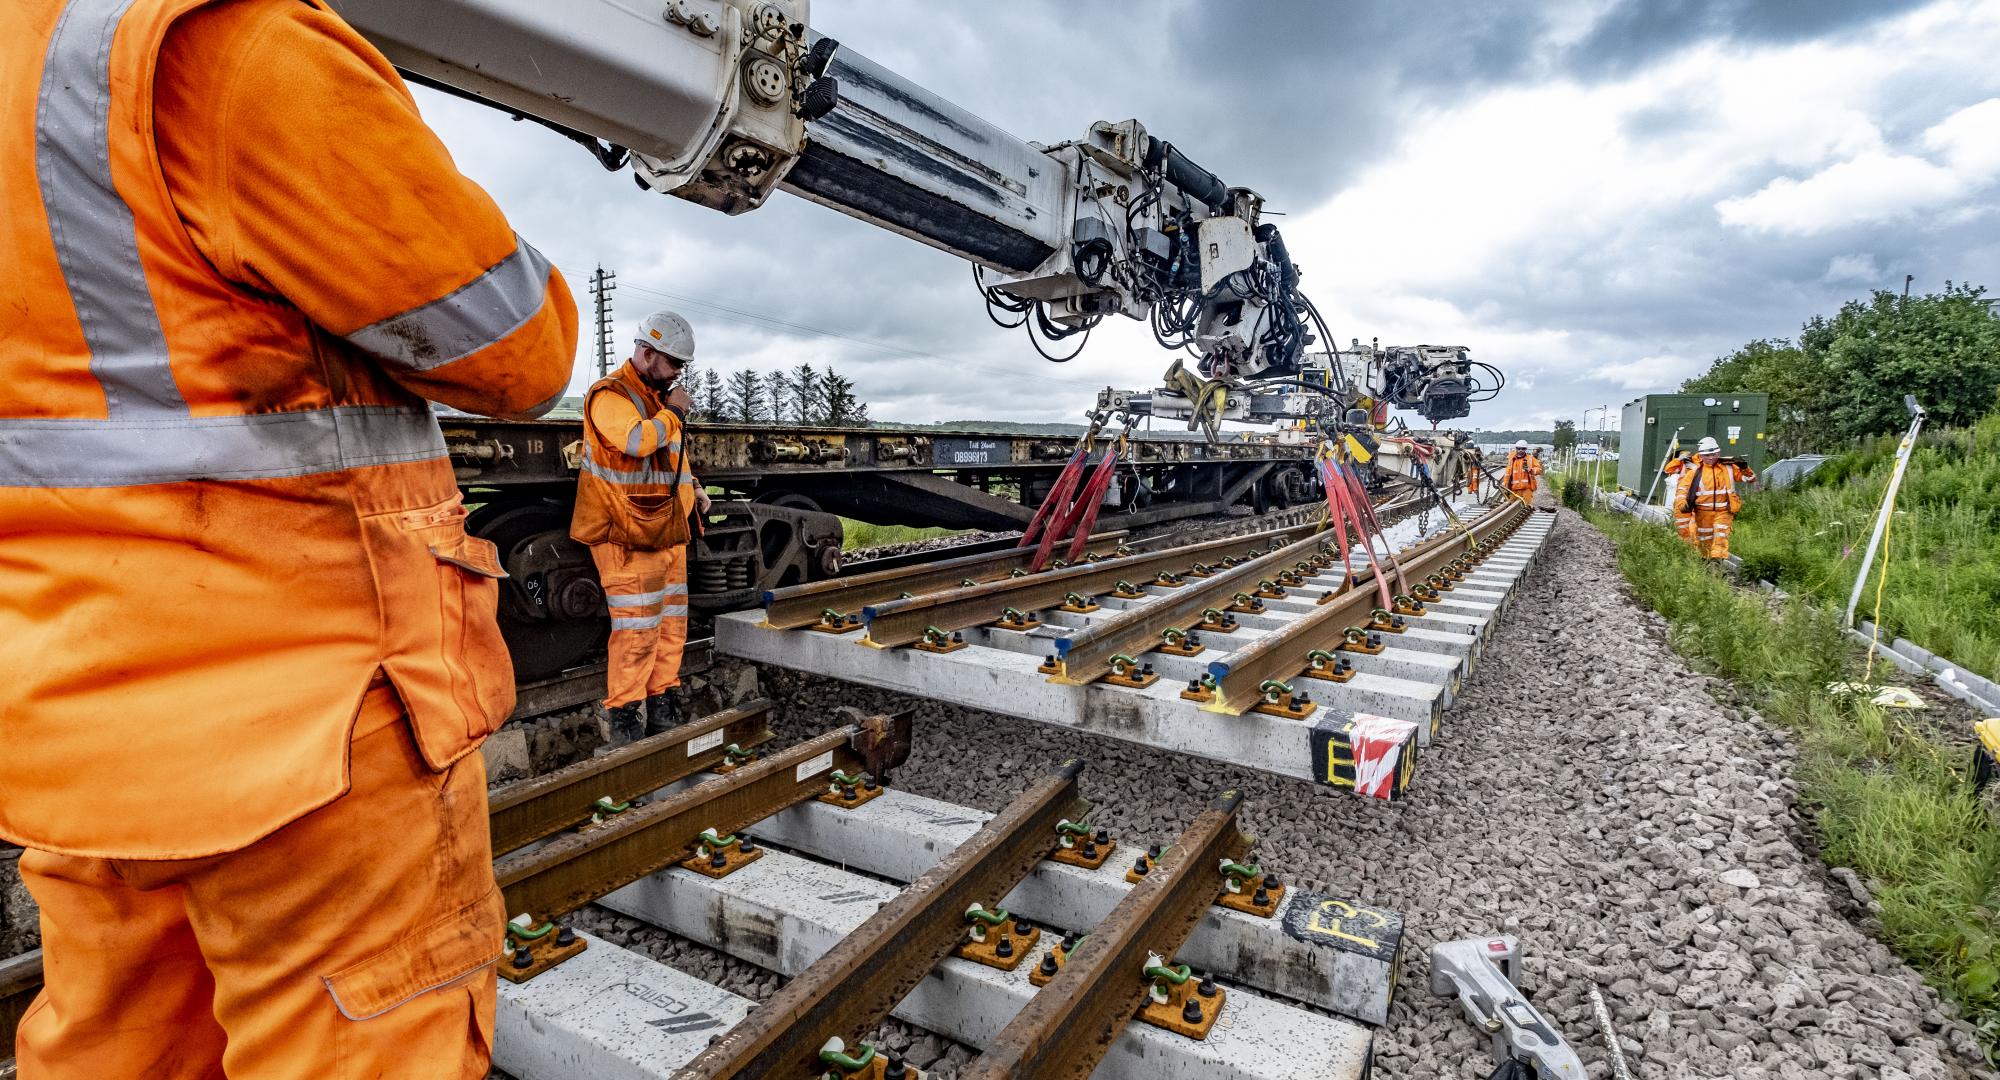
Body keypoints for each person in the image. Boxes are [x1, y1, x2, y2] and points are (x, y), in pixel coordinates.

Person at [2, 2, 577, 1075]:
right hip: (309, 728)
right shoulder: (225, 49)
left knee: (119, 1050)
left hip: (75, 718)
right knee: (366, 1039)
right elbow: (516, 349)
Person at [572, 312, 712, 743]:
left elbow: (668, 462)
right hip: (626, 533)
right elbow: (637, 442)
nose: (678, 373)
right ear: (647, 353)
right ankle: (626, 717)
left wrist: (696, 489)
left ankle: (662, 700)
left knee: (671, 624)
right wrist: (673, 413)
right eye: (673, 363)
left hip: (664, 530)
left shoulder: (655, 399)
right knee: (636, 629)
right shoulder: (611, 395)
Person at [1682, 436, 1756, 562]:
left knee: (1720, 536)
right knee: (1704, 541)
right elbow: (1683, 490)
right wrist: (1683, 505)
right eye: (1707, 455)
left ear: (1718, 452)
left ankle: (1717, 564)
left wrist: (1745, 468)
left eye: (1714, 454)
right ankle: (1706, 564)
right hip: (1703, 513)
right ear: (1701, 456)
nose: (1711, 457)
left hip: (1724, 511)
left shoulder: (1729, 468)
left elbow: (1750, 479)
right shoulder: (1695, 471)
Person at [1659, 449, 1699, 544]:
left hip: (1696, 496)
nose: (1688, 455)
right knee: (1681, 524)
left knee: (1695, 523)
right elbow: (1668, 469)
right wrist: (1679, 460)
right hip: (1683, 497)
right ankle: (1686, 544)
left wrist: (1694, 466)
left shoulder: (1696, 462)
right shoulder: (1681, 464)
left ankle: (1695, 545)